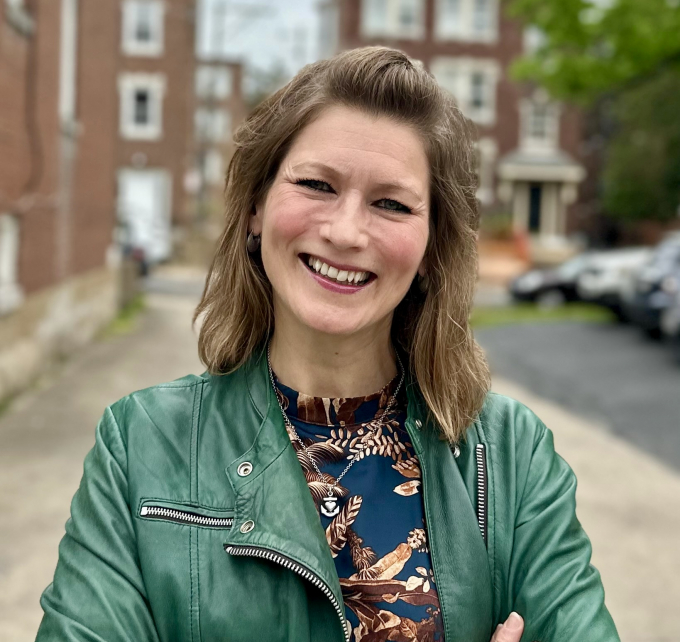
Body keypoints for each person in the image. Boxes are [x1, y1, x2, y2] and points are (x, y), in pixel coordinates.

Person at [36, 47, 619, 642]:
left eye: (391, 203)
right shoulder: (141, 446)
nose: (345, 232)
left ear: (429, 246)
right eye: (317, 184)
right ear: (256, 208)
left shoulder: (511, 457)